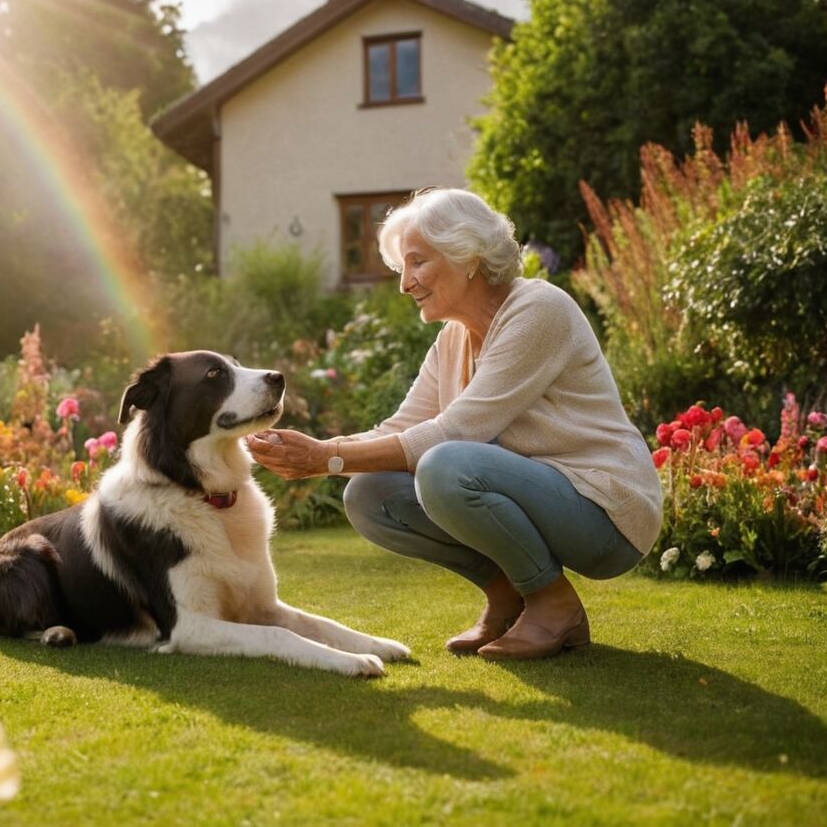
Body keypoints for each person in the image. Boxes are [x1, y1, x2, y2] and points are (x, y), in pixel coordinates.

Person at [247, 187, 662, 661]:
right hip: (545, 500)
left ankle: (553, 604)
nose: (405, 284)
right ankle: (507, 595)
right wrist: (317, 451)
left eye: (418, 262)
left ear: (468, 257)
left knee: (446, 466)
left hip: (605, 513)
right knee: (368, 493)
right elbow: (400, 429)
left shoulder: (538, 309)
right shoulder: (452, 340)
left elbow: (456, 434)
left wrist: (325, 457)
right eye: (402, 267)